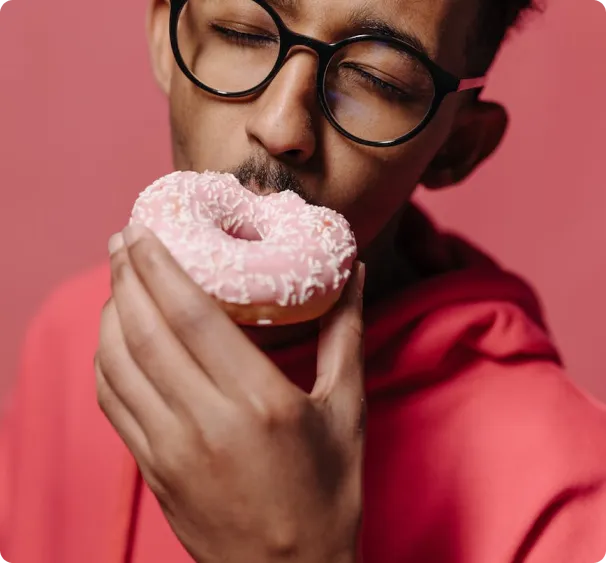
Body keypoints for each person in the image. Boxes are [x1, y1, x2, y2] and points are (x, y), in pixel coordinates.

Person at [2, 0, 606, 561]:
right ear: (167, 37)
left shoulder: (567, 495)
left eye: (376, 79)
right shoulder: (73, 337)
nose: (281, 124)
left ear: (455, 147)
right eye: (242, 32)